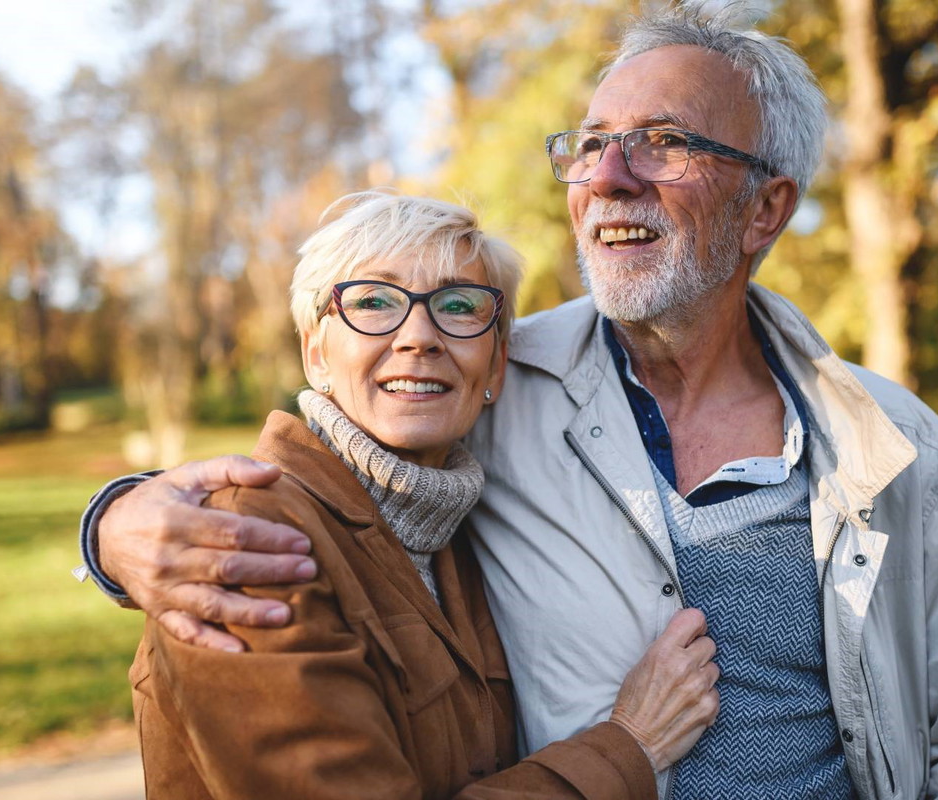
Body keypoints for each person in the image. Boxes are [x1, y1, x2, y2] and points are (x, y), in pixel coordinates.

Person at [78, 4, 938, 798]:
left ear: (767, 207)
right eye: (591, 146)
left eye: (663, 143)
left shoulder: (894, 442)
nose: (609, 177)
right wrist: (115, 523)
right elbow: (325, 472)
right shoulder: (488, 390)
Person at [124, 189, 720, 799]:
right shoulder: (248, 541)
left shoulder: (463, 536)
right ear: (315, 353)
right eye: (374, 302)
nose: (419, 336)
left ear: (495, 367)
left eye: (458, 305)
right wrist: (630, 745)